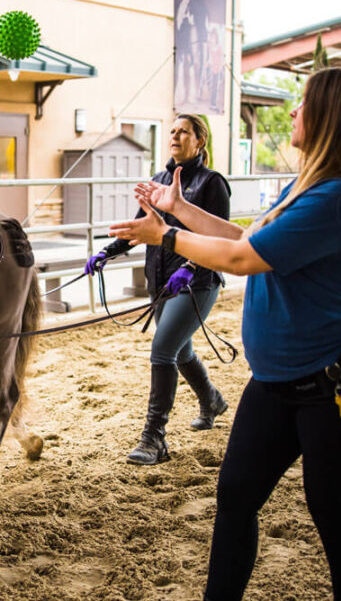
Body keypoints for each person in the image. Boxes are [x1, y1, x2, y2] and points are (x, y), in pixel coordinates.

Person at [110, 66, 341, 599]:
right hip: (277, 383)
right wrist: (180, 210)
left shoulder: (337, 198)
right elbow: (247, 236)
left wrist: (166, 234)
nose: (293, 111)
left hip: (336, 388)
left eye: (303, 102)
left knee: (334, 520)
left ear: (330, 117)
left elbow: (242, 258)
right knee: (236, 497)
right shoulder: (309, 186)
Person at [84, 114, 230, 466]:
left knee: (163, 350)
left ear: (200, 141)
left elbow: (219, 236)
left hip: (197, 283)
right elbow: (141, 228)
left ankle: (154, 438)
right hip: (161, 280)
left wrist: (191, 266)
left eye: (184, 131)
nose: (176, 136)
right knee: (180, 353)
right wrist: (108, 251)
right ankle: (211, 400)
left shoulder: (213, 183)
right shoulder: (159, 181)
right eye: (173, 131)